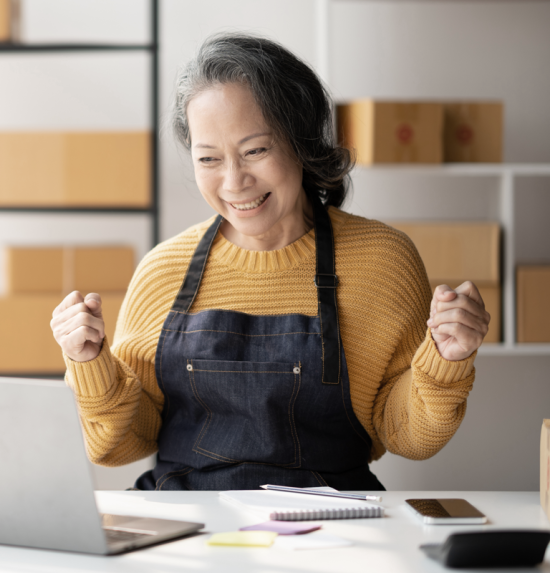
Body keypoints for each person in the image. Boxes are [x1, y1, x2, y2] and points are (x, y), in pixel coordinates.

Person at [49, 34, 489, 491]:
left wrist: (445, 359)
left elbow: (409, 438)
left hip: (332, 532)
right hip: (189, 534)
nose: (234, 181)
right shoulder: (163, 271)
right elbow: (120, 447)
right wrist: (91, 361)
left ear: (300, 139)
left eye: (255, 150)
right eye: (209, 159)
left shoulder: (383, 261)